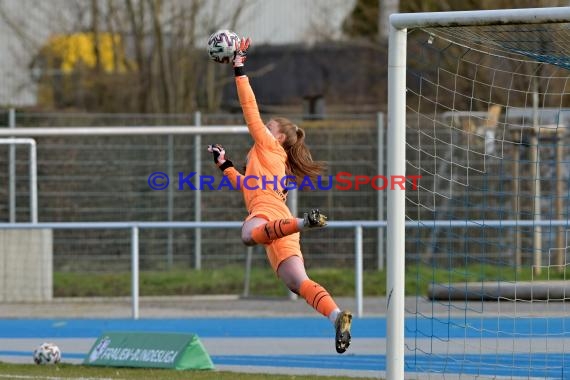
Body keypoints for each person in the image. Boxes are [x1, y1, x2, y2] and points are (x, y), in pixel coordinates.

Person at [206, 37, 352, 354]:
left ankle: (304, 222)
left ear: (279, 136)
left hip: (272, 219)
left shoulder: (269, 146)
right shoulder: (275, 162)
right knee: (297, 283)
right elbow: (245, 185)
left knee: (247, 235)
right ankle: (337, 316)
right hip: (279, 224)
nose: (263, 128)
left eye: (268, 126)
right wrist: (225, 165)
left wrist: (239, 66)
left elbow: (249, 109)